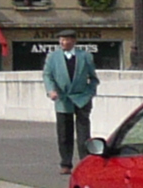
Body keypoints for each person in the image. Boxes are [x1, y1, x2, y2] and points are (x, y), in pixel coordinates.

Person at [41, 28, 102, 171]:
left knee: (84, 134)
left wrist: (89, 94)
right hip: (63, 99)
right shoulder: (52, 57)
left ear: (73, 41)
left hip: (81, 98)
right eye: (61, 40)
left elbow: (93, 78)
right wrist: (51, 90)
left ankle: (84, 163)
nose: (63, 42)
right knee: (64, 134)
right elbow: (47, 75)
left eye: (66, 39)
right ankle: (66, 163)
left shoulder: (85, 56)